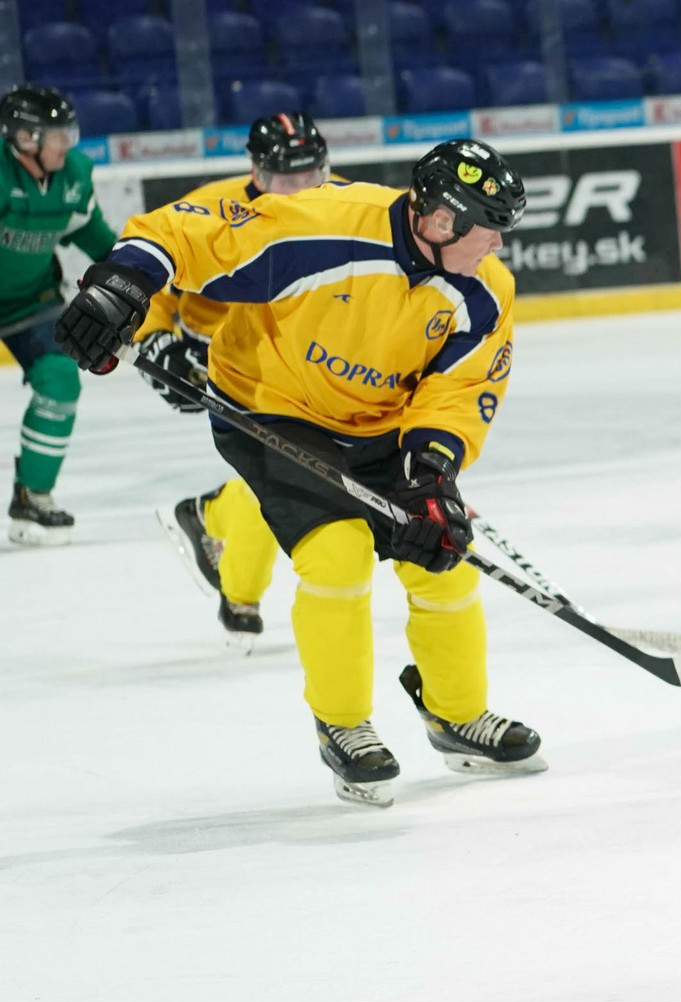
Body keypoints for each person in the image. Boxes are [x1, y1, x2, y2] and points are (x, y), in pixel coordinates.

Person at [55, 138, 545, 807]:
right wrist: (122, 284)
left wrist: (432, 472)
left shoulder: (487, 289)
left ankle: (456, 715)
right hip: (271, 407)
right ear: (440, 220)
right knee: (337, 554)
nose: (497, 245)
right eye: (488, 229)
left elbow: (459, 390)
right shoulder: (324, 226)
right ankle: (344, 725)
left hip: (381, 428)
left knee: (445, 558)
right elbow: (185, 235)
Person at [147, 112, 335, 652]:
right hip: (224, 362)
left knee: (286, 471)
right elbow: (151, 271)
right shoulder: (211, 208)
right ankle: (238, 587)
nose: (301, 189)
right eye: (286, 178)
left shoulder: (347, 206)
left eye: (311, 174)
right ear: (257, 171)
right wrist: (156, 340)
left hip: (308, 361)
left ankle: (210, 519)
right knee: (278, 472)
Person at [0, 84, 116, 545]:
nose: (67, 144)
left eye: (69, 132)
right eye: (56, 135)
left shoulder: (73, 177)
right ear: (25, 137)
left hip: (31, 300)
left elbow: (97, 239)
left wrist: (138, 275)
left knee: (61, 378)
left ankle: (33, 495)